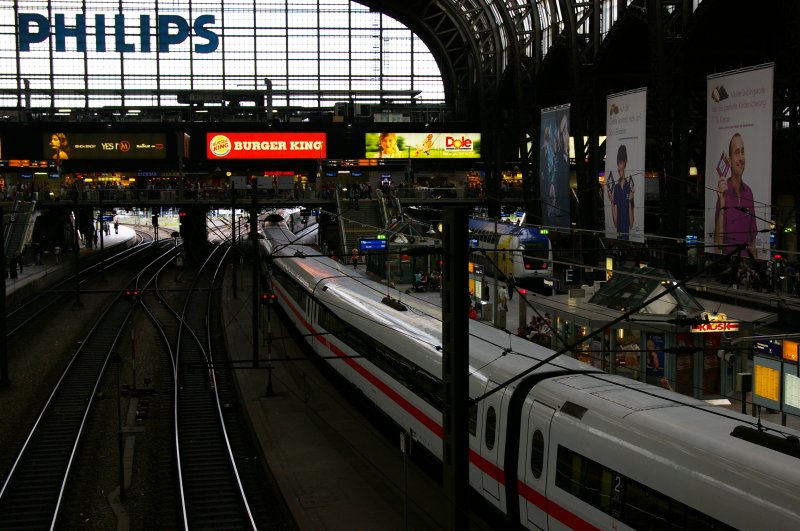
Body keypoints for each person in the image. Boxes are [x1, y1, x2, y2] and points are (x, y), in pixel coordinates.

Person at [714, 132, 757, 257]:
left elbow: (752, 242)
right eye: (737, 152)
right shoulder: (723, 192)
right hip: (729, 265)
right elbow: (717, 245)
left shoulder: (749, 193)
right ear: (730, 160)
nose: (741, 158)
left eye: (742, 152)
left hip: (745, 266)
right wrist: (722, 204)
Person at [607, 144, 634, 240]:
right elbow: (615, 223)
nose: (620, 167)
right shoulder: (616, 188)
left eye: (622, 163)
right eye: (619, 164)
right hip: (619, 233)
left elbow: (631, 224)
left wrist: (630, 201)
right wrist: (611, 202)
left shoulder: (629, 186)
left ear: (625, 163)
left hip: (626, 233)